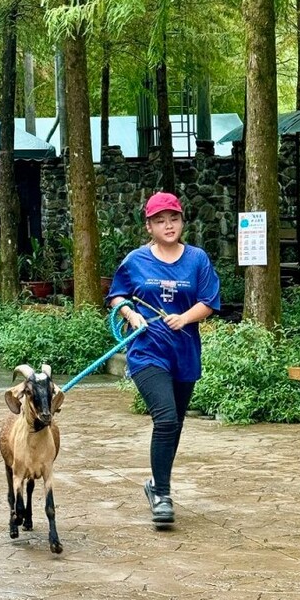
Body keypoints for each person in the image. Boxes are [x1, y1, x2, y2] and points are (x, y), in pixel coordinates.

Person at [107, 191, 221, 527]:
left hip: (184, 354)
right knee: (167, 419)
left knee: (175, 425)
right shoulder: (135, 261)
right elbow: (116, 295)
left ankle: (155, 485)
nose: (168, 225)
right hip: (147, 353)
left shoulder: (198, 259)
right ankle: (163, 495)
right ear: (149, 226)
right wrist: (130, 313)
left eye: (173, 218)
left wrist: (185, 318)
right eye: (160, 220)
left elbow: (210, 300)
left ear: (182, 221)